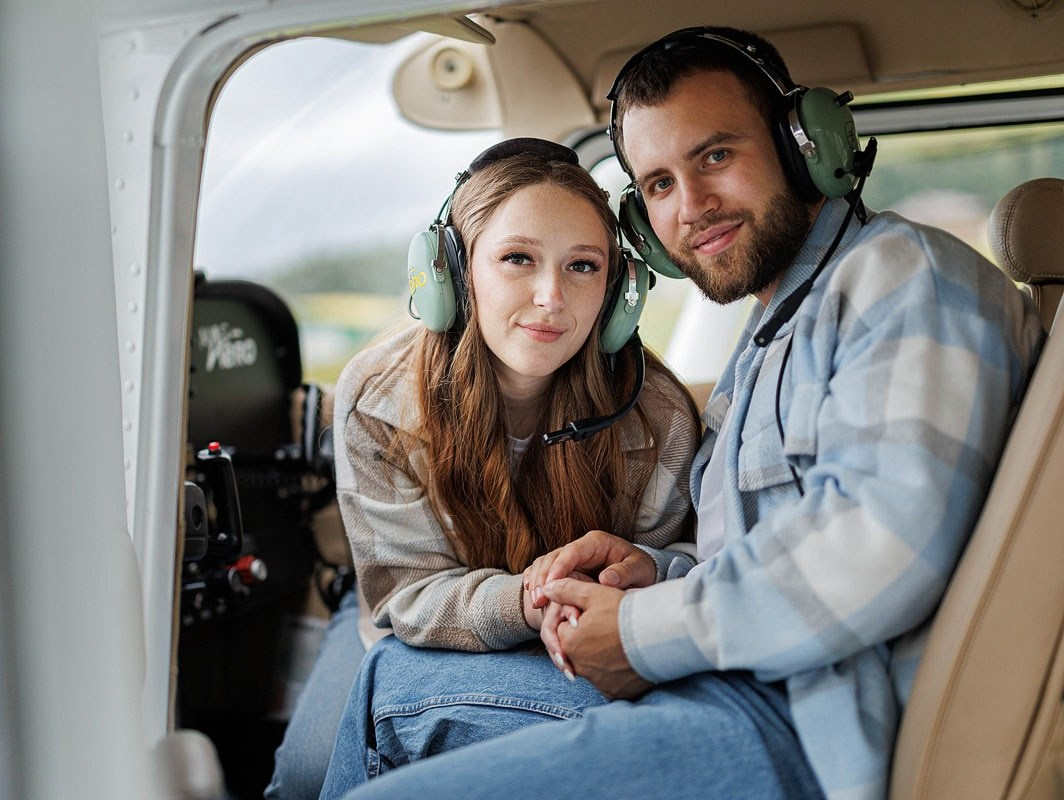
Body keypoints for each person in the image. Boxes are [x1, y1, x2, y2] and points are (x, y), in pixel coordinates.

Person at [319, 26, 1045, 800]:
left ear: (803, 145)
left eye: (716, 155)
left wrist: (640, 630)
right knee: (388, 677)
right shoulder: (776, 331)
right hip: (750, 684)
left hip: (805, 721)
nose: (692, 206)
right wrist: (655, 575)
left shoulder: (900, 280)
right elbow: (773, 548)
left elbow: (881, 548)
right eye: (660, 184)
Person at [266, 137, 701, 799]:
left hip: (578, 632)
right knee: (306, 776)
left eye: (583, 266)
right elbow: (407, 592)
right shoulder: (378, 397)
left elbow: (679, 565)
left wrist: (630, 577)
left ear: (620, 292)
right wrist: (524, 600)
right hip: (419, 606)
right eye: (517, 258)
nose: (552, 296)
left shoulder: (655, 415)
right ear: (452, 271)